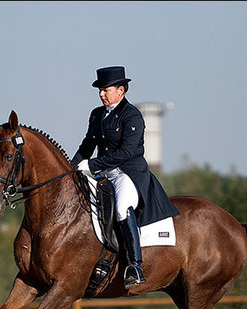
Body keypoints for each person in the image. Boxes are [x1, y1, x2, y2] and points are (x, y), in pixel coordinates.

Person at [72, 66, 179, 288]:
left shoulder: (132, 115)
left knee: (122, 207)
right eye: (100, 90)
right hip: (103, 171)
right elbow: (87, 145)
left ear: (121, 90)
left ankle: (135, 266)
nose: (102, 94)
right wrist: (72, 167)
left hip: (128, 172)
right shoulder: (97, 114)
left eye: (106, 89)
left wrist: (91, 165)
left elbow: (127, 152)